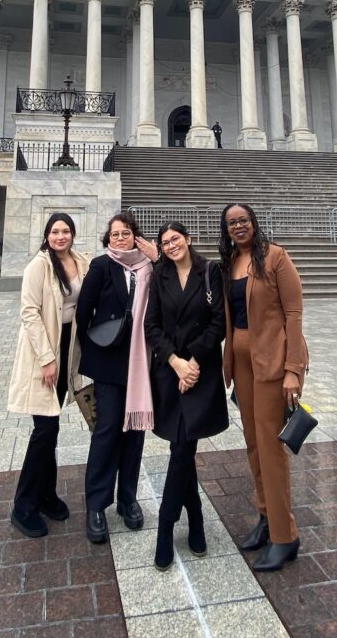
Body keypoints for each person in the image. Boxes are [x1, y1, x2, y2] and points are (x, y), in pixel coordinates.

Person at [219, 202, 309, 572]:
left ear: (254, 223)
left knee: (271, 448)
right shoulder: (228, 264)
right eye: (231, 223)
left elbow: (294, 313)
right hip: (241, 363)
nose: (239, 227)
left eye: (244, 220)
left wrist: (294, 369)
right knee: (254, 444)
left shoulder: (275, 257)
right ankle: (266, 517)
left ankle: (285, 536)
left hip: (272, 363)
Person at [145, 221, 228, 571]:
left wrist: (192, 362)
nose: (170, 246)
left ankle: (166, 528)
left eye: (175, 239)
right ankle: (194, 520)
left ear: (189, 239)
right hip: (170, 373)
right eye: (164, 242)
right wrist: (176, 362)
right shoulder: (159, 276)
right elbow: (152, 326)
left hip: (201, 372)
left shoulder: (210, 271)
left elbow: (219, 322)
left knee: (182, 448)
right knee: (182, 449)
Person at [76, 212, 157, 544]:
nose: (120, 238)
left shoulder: (148, 267)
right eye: (115, 234)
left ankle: (128, 499)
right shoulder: (101, 266)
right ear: (107, 238)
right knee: (107, 432)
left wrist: (158, 257)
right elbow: (84, 312)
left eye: (126, 233)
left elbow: (171, 287)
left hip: (140, 364)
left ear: (136, 236)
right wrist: (95, 349)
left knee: (134, 433)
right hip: (109, 363)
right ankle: (96, 505)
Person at [7, 213, 90, 537]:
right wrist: (46, 358)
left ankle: (46, 494)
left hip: (67, 347)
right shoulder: (38, 266)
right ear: (47, 234)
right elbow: (29, 312)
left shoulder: (80, 261)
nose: (61, 236)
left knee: (51, 427)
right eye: (55, 231)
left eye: (66, 231)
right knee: (44, 429)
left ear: (73, 234)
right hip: (44, 353)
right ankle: (23, 505)